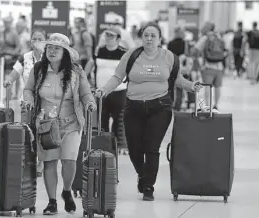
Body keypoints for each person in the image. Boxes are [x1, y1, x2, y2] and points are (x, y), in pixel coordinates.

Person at [95, 22, 202, 201]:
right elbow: (117, 77)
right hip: (133, 107)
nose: (149, 38)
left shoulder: (169, 57)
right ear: (141, 37)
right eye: (146, 35)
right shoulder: (131, 55)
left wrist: (192, 87)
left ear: (160, 38)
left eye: (153, 35)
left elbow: (177, 79)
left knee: (152, 148)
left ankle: (148, 187)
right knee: (135, 149)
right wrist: (104, 90)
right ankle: (143, 175)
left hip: (159, 108)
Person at [23, 33, 97, 215]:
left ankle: (66, 191)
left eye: (57, 48)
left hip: (71, 123)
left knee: (69, 160)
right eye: (49, 47)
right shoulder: (38, 69)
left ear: (65, 52)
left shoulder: (76, 71)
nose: (52, 51)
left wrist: (90, 102)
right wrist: (28, 100)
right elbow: (28, 89)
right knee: (49, 162)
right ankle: (52, 201)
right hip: (46, 125)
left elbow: (86, 92)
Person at [4, 29, 46, 177]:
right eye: (34, 39)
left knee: (42, 132)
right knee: (27, 132)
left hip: (45, 103)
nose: (36, 41)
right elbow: (15, 72)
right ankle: (28, 161)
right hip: (26, 102)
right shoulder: (25, 57)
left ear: (45, 41)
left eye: (40, 38)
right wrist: (9, 80)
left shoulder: (50, 58)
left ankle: (41, 162)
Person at [85, 26, 128, 153]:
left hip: (119, 91)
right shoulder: (99, 51)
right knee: (101, 119)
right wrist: (83, 78)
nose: (108, 38)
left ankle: (120, 145)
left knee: (119, 121)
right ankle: (103, 145)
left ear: (118, 39)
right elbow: (90, 64)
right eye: (106, 35)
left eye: (111, 36)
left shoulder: (124, 53)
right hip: (101, 92)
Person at [191, 21, 225, 110]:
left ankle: (207, 106)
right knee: (217, 87)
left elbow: (195, 50)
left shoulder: (205, 38)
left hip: (208, 66)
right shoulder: (219, 37)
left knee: (207, 87)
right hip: (219, 67)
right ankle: (216, 105)